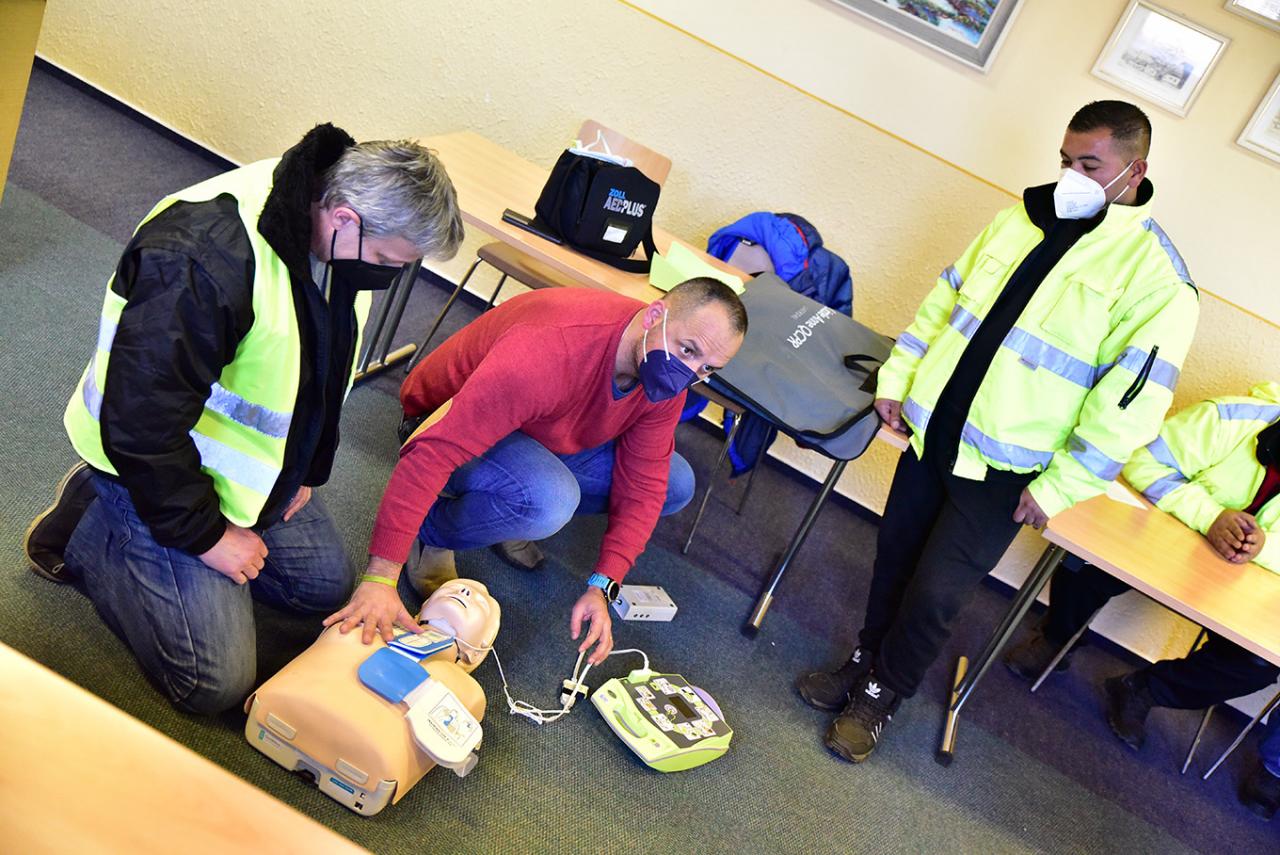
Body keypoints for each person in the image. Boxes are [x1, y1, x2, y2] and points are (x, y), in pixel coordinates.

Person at [795, 100, 1201, 763]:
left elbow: (1131, 402)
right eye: (1065, 160)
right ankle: (863, 661)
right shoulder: (1019, 219)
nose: (1071, 176)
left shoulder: (1157, 279)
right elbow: (944, 302)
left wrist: (1062, 486)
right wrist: (899, 378)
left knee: (936, 593)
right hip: (935, 432)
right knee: (894, 560)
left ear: (1135, 171)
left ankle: (880, 694)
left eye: (1089, 165)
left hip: (1007, 470)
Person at [23, 124, 464, 715]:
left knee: (323, 588)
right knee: (213, 683)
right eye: (387, 260)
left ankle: (139, 526)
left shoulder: (334, 230)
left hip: (232, 466)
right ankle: (90, 528)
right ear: (345, 217)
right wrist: (208, 537)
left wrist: (306, 469)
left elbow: (321, 367)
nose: (386, 277)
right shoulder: (203, 257)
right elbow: (141, 423)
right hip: (145, 462)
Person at [322, 278, 747, 663]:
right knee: (551, 501)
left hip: (543, 427)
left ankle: (509, 506)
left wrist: (604, 585)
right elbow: (433, 452)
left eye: (708, 368)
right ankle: (433, 531)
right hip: (439, 417)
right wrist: (381, 578)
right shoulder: (550, 349)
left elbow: (645, 486)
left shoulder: (664, 368)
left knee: (676, 482)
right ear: (654, 315)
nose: (690, 374)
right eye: (688, 350)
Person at [1002, 383, 1279, 778]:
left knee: (1258, 665)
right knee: (1083, 557)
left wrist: (1258, 546)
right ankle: (1056, 638)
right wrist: (1210, 517)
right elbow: (1141, 462)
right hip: (1164, 541)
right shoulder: (1233, 416)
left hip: (1240, 586)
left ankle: (1144, 690)